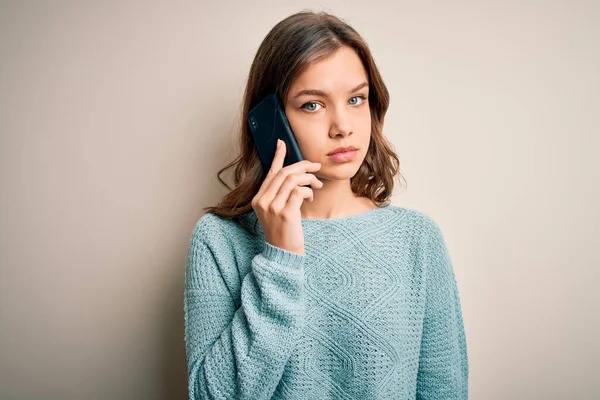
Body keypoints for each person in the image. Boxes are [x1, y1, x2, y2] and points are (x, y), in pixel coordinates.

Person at [184, 10, 468, 400]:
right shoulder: (220, 240)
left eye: (356, 99)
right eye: (313, 105)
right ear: (269, 120)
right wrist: (280, 257)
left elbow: (444, 391)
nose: (343, 126)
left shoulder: (417, 239)